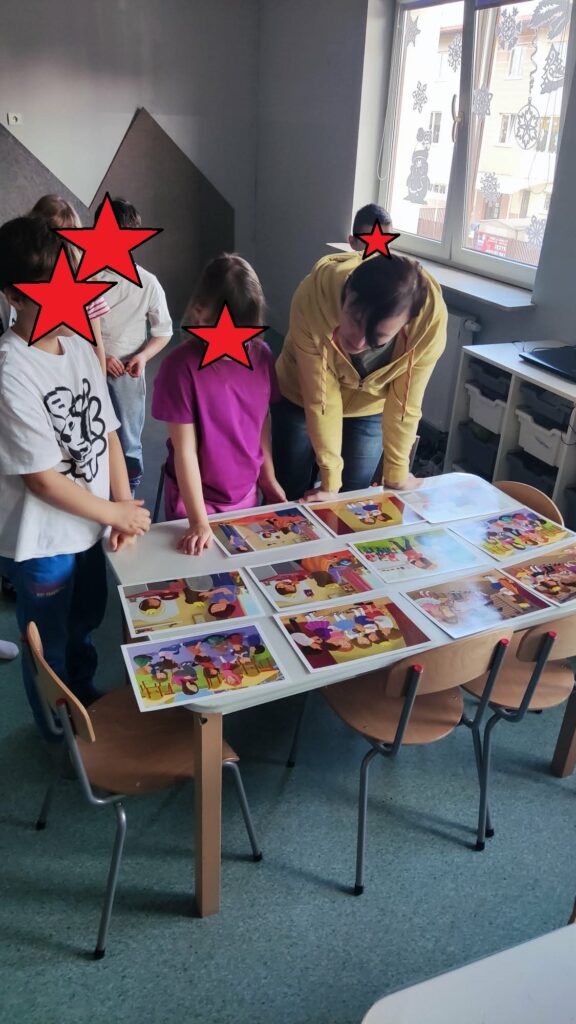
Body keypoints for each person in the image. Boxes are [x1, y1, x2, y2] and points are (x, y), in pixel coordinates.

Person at [0, 216, 151, 741]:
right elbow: (41, 480)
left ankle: (83, 702)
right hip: (43, 543)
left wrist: (124, 506)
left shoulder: (82, 347)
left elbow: (108, 431)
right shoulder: (11, 369)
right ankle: (57, 734)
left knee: (86, 620)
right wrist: (114, 511)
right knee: (50, 644)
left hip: (89, 527)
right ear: (13, 296)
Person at [272, 251, 447, 500]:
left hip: (369, 405)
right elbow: (321, 398)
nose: (358, 342)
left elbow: (406, 402)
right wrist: (329, 483)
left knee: (355, 495)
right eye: (354, 321)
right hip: (302, 395)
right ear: (347, 293)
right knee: (289, 484)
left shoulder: (429, 327)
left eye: (378, 337)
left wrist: (397, 471)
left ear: (407, 323)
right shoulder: (313, 297)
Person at [152, 253, 286, 555]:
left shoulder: (262, 355)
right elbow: (184, 451)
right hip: (195, 500)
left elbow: (262, 420)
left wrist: (268, 477)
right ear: (199, 313)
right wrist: (199, 521)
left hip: (245, 491)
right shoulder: (179, 367)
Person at [95, 197, 172, 494]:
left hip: (127, 373)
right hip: (90, 365)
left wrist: (143, 356)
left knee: (128, 441)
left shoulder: (148, 283)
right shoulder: (84, 278)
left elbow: (163, 331)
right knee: (93, 435)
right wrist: (101, 356)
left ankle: (129, 495)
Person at [28, 194, 109, 374]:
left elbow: (96, 346)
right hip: (32, 368)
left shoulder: (88, 285)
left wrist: (101, 384)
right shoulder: (25, 274)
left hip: (73, 373)